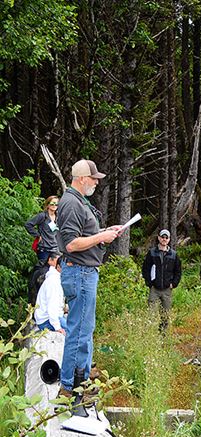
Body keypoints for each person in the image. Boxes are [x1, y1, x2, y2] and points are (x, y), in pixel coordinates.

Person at [49, 160, 122, 395]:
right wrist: (101, 237)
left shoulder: (79, 201)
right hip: (79, 272)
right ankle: (69, 386)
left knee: (85, 328)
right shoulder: (71, 203)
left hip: (85, 272)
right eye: (93, 178)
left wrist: (106, 232)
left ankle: (83, 372)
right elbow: (70, 243)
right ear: (82, 178)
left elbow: (84, 235)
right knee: (78, 330)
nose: (96, 182)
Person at [142, 230, 181, 328]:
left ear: (169, 239)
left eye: (166, 237)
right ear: (159, 238)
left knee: (165, 315)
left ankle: (163, 335)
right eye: (162, 237)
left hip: (167, 289)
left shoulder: (174, 254)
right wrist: (149, 283)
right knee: (151, 313)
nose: (164, 239)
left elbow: (178, 271)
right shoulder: (151, 253)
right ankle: (151, 334)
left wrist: (174, 284)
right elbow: (145, 269)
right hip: (154, 289)